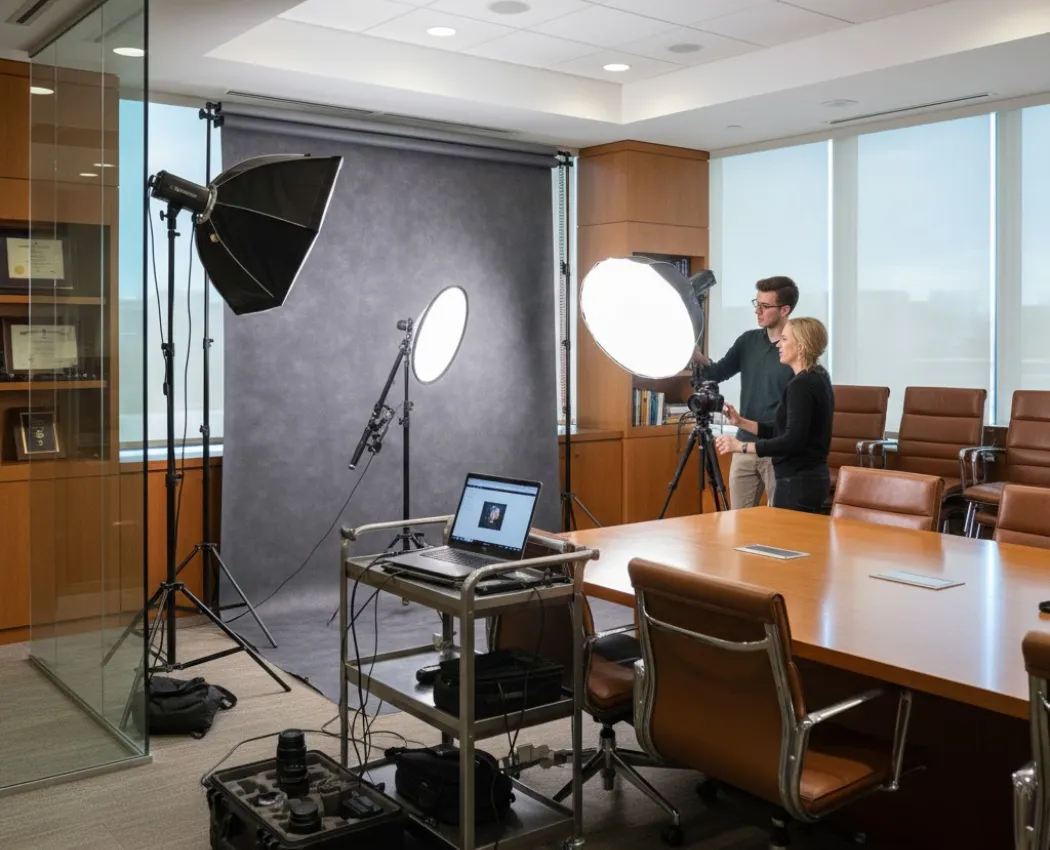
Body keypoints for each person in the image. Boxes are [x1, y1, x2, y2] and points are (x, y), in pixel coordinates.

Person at [695, 276, 797, 508]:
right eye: (756, 304)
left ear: (785, 310)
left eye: (765, 306)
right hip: (744, 446)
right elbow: (716, 372)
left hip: (777, 450)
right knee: (738, 519)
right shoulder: (748, 341)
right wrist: (697, 357)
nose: (757, 311)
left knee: (780, 520)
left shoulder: (796, 349)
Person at [714, 317, 834, 513]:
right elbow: (783, 430)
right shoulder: (818, 376)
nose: (778, 344)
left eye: (785, 339)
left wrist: (740, 446)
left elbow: (792, 440)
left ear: (801, 347)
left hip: (797, 483)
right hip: (807, 480)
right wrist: (741, 422)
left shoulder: (801, 385)